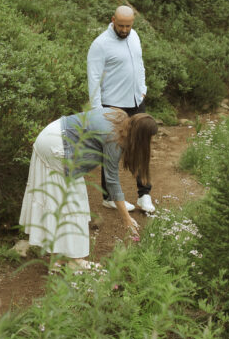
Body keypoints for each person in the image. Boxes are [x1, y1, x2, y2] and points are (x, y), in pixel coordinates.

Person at [19, 108, 158, 266]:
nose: (151, 143)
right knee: (73, 201)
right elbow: (112, 180)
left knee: (60, 200)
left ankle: (58, 259)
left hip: (52, 133)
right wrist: (126, 218)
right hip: (57, 145)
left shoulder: (119, 116)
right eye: (150, 139)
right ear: (141, 137)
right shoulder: (114, 140)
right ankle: (73, 260)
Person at [87, 6, 156, 214]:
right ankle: (109, 197)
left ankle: (144, 194)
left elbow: (140, 64)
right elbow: (94, 80)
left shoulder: (134, 36)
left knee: (142, 148)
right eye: (121, 26)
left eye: (128, 25)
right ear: (113, 21)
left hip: (136, 101)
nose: (125, 30)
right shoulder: (100, 45)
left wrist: (143, 88)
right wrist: (98, 111)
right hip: (113, 106)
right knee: (112, 152)